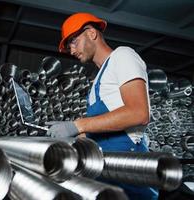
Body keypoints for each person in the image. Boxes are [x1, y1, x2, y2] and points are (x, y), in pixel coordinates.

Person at [45, 13, 158, 199]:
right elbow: (98, 127)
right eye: (68, 47)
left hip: (128, 167)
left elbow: (139, 113)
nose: (71, 50)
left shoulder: (123, 56)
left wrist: (77, 125)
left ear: (91, 33)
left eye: (73, 41)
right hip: (105, 167)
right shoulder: (98, 81)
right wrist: (70, 137)